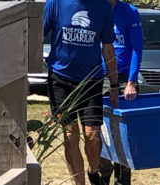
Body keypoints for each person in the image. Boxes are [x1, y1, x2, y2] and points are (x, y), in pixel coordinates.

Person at [43, 0, 118, 184]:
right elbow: (36, 36)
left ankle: (93, 172)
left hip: (91, 80)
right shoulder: (56, 3)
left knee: (92, 135)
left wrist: (115, 85)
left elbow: (108, 48)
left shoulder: (103, 7)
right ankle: (79, 183)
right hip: (60, 78)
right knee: (70, 136)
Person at [99, 0, 143, 185]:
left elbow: (136, 48)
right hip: (99, 76)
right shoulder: (96, 8)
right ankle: (103, 172)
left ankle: (122, 179)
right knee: (99, 129)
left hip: (124, 77)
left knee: (124, 133)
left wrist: (131, 82)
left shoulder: (130, 12)